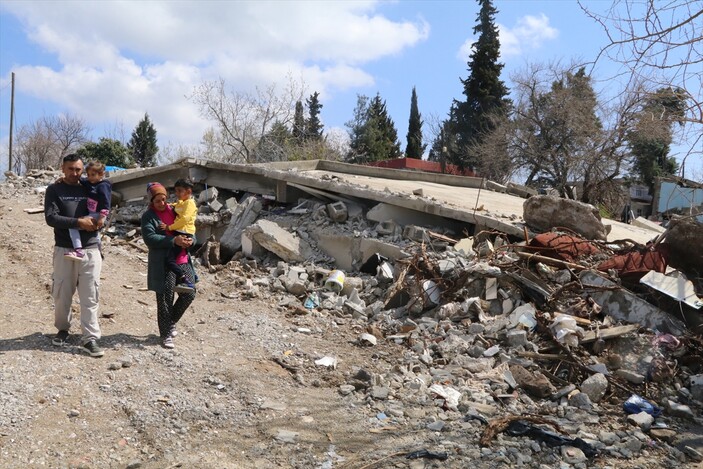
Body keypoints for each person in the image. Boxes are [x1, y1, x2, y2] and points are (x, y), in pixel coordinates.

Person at [44, 153, 105, 357]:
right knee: (62, 294)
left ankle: (90, 338)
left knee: (90, 295)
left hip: (90, 249)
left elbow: (106, 202)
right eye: (70, 169)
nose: (74, 173)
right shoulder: (55, 189)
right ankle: (63, 329)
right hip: (64, 248)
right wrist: (78, 222)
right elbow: (51, 218)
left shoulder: (91, 186)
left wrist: (101, 220)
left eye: (78, 169)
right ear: (63, 168)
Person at [141, 182, 196, 349]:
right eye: (158, 201)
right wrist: (173, 240)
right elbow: (149, 238)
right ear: (151, 201)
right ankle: (165, 334)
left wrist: (190, 241)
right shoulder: (148, 216)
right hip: (163, 263)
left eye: (164, 199)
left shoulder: (175, 210)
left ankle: (170, 321)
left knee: (189, 292)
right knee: (165, 298)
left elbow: (190, 229)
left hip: (182, 259)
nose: (162, 203)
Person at [65, 160, 112, 261]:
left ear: (101, 174)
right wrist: (63, 178)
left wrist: (102, 217)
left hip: (98, 214)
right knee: (95, 233)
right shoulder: (90, 183)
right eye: (89, 175)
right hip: (91, 213)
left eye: (93, 175)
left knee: (73, 226)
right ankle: (99, 252)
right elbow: (81, 180)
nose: (90, 177)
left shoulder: (103, 186)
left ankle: (78, 250)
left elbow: (106, 202)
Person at [158, 178, 197, 293]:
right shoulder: (183, 202)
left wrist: (169, 227)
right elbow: (178, 205)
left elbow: (184, 219)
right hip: (181, 232)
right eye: (176, 191)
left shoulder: (190, 204)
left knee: (170, 260)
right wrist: (171, 205)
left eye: (180, 191)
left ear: (188, 191)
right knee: (176, 257)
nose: (177, 193)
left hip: (184, 232)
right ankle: (191, 277)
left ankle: (185, 279)